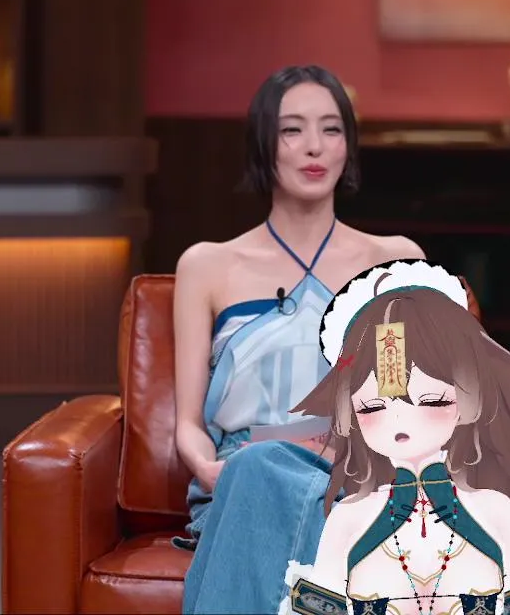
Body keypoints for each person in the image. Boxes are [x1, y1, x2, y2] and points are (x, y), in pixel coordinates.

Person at [170, 64, 426, 614]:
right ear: (263, 145)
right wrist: (209, 470)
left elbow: (396, 401)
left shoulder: (393, 262)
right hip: (243, 472)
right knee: (261, 472)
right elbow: (188, 423)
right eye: (292, 130)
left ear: (347, 148)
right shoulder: (207, 266)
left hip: (357, 468)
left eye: (331, 129)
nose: (314, 146)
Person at [280, 259, 510, 615]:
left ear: (470, 402)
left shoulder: (497, 511)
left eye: (432, 401)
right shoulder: (348, 518)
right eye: (373, 407)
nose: (400, 420)